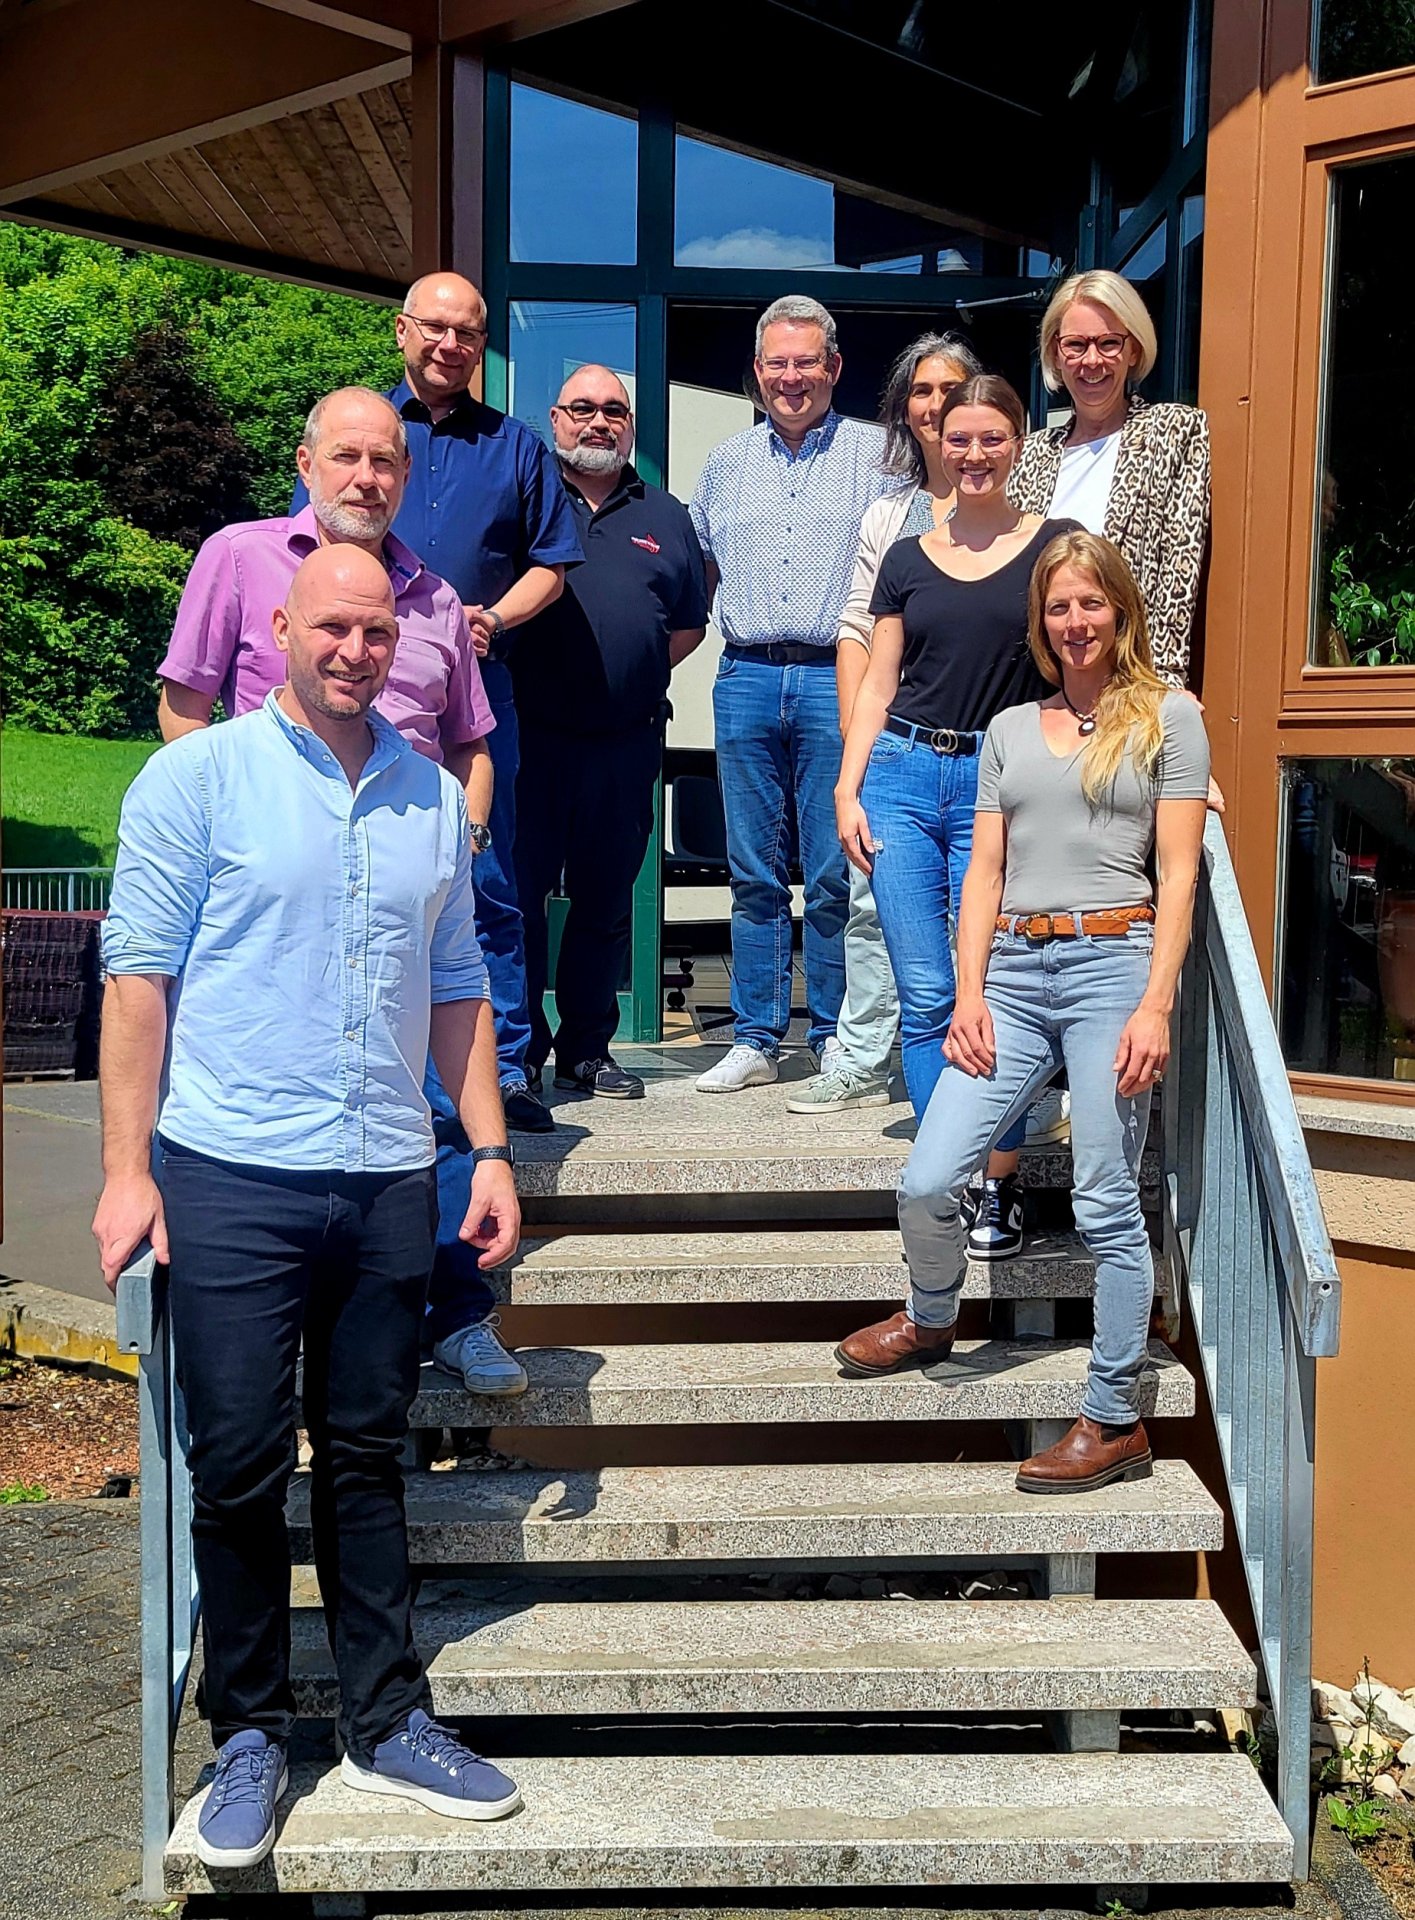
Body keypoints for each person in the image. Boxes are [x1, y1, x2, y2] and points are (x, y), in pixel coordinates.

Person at [94, 545, 525, 1871]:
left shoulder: (430, 804)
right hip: (228, 1171)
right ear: (279, 628)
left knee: (363, 1460)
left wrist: (491, 1152)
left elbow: (457, 986)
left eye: (376, 628)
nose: (354, 647)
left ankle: (387, 1723)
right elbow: (137, 982)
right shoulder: (196, 778)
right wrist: (124, 1171)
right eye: (330, 625)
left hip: (387, 1171)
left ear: (402, 641)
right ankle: (246, 1737)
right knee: (231, 1468)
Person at [158, 385, 525, 1398]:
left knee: (434, 1101)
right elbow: (183, 712)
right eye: (349, 458)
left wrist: (461, 836)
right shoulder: (236, 557)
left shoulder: (438, 601)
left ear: (407, 480)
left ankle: (455, 1313)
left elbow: (469, 743)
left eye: (387, 464)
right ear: (308, 463)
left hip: (407, 871)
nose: (367, 478)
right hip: (275, 890)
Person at [836, 531, 1209, 1500]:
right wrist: (966, 993)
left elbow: (1176, 874)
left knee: (1100, 1198)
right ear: (1037, 624)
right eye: (1056, 608)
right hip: (1010, 971)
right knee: (926, 1177)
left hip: (1111, 968)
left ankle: (1112, 1414)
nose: (1074, 623)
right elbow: (984, 875)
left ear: (1119, 610)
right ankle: (928, 1314)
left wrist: (1155, 1004)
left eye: (1089, 604)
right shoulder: (1008, 729)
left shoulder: (1167, 718)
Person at [293, 271, 586, 1134]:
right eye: (436, 328)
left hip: (469, 689)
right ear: (403, 331)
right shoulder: (359, 430)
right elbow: (302, 551)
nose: (450, 345)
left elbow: (553, 564)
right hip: (348, 684)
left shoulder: (518, 447)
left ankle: (504, 1071)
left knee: (485, 883)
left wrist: (488, 617)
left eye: (467, 332)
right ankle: (366, 1072)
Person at [834, 375, 1081, 1259]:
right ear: (936, 441)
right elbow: (876, 683)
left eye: (992, 439)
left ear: (1019, 444)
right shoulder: (904, 554)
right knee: (927, 995)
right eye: (958, 438)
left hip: (1000, 781)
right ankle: (946, 1183)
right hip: (901, 774)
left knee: (999, 995)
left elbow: (1097, 651)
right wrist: (846, 786)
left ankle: (996, 1182)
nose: (973, 454)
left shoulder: (1054, 546)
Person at [689, 294, 899, 1094]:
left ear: (834, 368)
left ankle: (838, 1039)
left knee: (836, 871)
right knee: (750, 871)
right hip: (744, 675)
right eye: (775, 363)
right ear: (755, 371)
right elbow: (699, 575)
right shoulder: (724, 463)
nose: (789, 377)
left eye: (805, 361)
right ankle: (753, 1037)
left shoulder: (879, 457)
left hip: (831, 678)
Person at [789, 329, 982, 1117]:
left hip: (982, 753)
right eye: (923, 392)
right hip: (897, 751)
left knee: (982, 918)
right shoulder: (888, 514)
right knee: (870, 909)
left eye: (951, 389)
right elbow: (855, 635)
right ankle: (864, 1060)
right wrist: (855, 759)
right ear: (905, 408)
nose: (936, 406)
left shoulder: (1011, 506)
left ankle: (991, 1079)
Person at [511, 365, 707, 1099]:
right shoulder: (524, 500)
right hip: (529, 737)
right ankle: (518, 1052)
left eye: (613, 411)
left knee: (603, 899)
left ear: (629, 425)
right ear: (555, 419)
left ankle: (587, 1049)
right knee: (519, 897)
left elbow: (685, 623)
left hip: (623, 740)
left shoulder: (664, 513)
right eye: (583, 409)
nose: (599, 422)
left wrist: (625, 668)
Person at [1009, 269, 1210, 686]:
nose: (1092, 361)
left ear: (1134, 349)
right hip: (1038, 685)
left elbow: (1178, 571)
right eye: (1076, 345)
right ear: (1056, 354)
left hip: (1131, 682)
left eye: (1109, 343)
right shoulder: (1030, 453)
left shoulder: (1173, 431)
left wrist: (1162, 687)